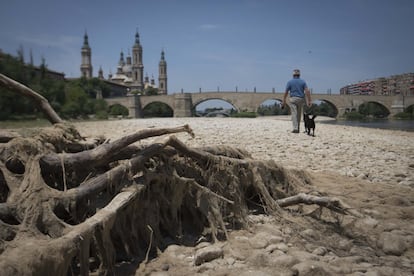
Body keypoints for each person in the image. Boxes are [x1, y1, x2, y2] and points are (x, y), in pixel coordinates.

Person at [282, 69, 312, 133]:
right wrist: (309, 100)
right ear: (299, 75)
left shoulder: (290, 82)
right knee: (298, 114)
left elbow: (286, 92)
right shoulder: (303, 82)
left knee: (294, 114)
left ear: (293, 75)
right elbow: (307, 91)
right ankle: (297, 128)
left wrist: (284, 100)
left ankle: (295, 128)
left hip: (293, 99)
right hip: (301, 99)